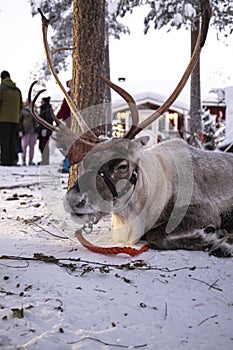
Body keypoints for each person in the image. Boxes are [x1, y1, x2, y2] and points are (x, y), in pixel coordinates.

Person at [0, 70, 23, 166]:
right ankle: (14, 159)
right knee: (13, 140)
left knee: (4, 140)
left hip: (3, 119)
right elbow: (21, 105)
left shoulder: (1, 88)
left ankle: (5, 160)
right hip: (15, 119)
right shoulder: (17, 90)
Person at [57, 79, 71, 173]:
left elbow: (64, 108)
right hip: (74, 121)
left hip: (70, 122)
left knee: (70, 144)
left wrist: (58, 117)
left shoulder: (69, 94)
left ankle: (67, 166)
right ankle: (67, 164)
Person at [19, 100, 38, 165]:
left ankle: (31, 160)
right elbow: (20, 121)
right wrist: (20, 130)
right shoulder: (23, 111)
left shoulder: (34, 111)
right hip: (25, 131)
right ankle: (23, 160)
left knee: (32, 146)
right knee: (24, 146)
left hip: (34, 131)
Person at [38, 96, 54, 165]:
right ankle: (44, 159)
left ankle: (45, 160)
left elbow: (47, 120)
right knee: (43, 145)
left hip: (45, 130)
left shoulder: (46, 110)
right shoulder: (46, 109)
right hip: (44, 129)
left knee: (44, 145)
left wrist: (44, 128)